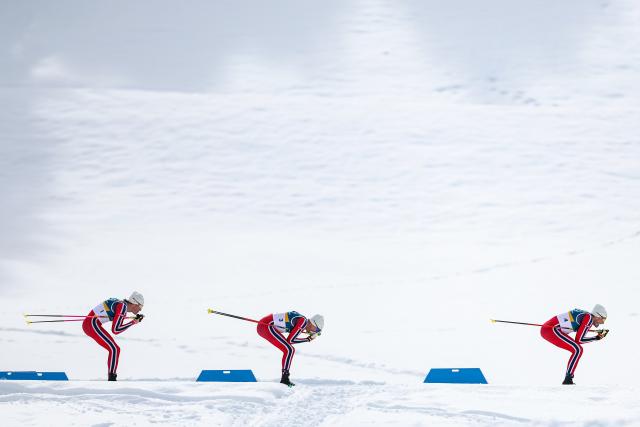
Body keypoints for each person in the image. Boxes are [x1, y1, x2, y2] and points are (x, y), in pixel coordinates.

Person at [82, 292, 145, 381]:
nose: (140, 310)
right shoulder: (122, 307)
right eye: (140, 306)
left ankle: (111, 376)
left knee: (115, 349)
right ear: (135, 304)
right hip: (91, 324)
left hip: (91, 323)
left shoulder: (121, 305)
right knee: (114, 349)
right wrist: (133, 322)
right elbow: (116, 330)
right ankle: (112, 378)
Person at [540, 304, 608, 385]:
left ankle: (568, 378)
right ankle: (568, 379)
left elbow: (578, 328)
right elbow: (579, 340)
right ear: (597, 315)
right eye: (603, 319)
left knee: (577, 349)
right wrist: (597, 337)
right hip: (550, 330)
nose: (603, 322)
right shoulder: (589, 318)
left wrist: (593, 334)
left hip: (549, 329)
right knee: (578, 349)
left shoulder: (587, 316)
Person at [257, 311, 324, 386]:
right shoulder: (303, 322)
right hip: (265, 326)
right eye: (317, 330)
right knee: (289, 350)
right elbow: (291, 340)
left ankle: (285, 378)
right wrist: (307, 339)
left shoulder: (302, 321)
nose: (314, 332)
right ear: (313, 324)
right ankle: (285, 379)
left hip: (265, 325)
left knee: (289, 349)